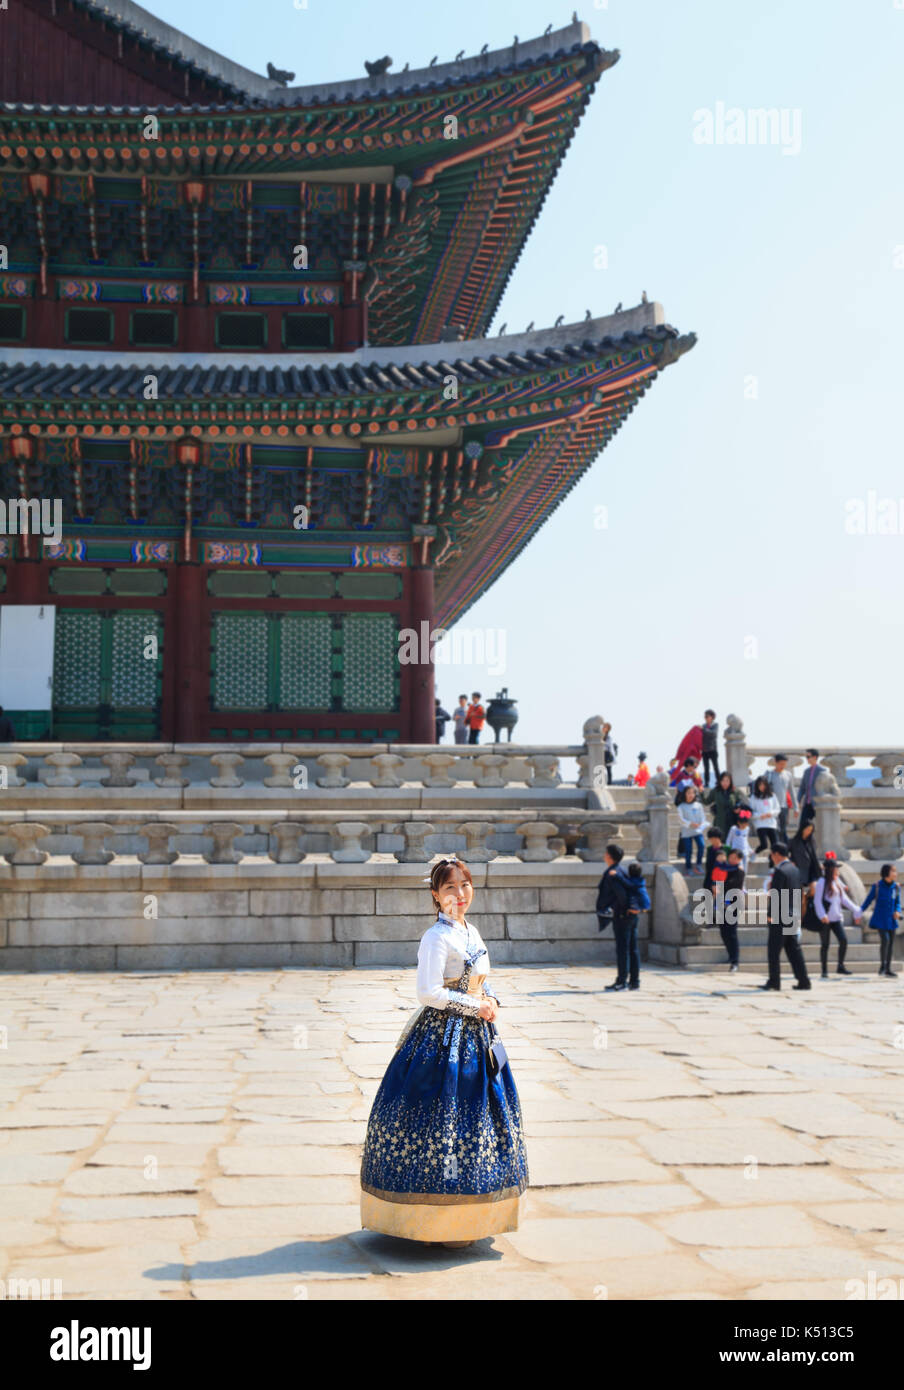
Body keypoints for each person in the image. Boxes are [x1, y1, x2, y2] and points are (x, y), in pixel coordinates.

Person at [359, 856, 528, 1244]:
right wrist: (475, 1006)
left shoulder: (473, 930)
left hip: (479, 1035)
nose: (459, 894)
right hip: (441, 1038)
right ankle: (429, 1220)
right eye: (450, 888)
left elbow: (483, 982)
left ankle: (475, 1217)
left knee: (481, 1118)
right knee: (441, 1118)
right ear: (435, 896)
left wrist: (492, 1001)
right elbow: (427, 992)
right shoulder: (435, 937)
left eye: (464, 885)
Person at [760, 842, 810, 991]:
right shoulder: (794, 870)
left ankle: (774, 981)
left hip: (780, 916)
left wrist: (770, 915)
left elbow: (775, 896)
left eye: (771, 855)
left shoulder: (780, 871)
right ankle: (804, 980)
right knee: (794, 950)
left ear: (776, 854)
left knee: (774, 950)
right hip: (792, 914)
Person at [596, 844, 638, 992]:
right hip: (632, 914)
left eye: (605, 853)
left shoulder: (613, 873)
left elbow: (621, 895)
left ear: (609, 856)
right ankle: (634, 982)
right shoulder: (623, 870)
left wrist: (619, 909)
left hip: (622, 915)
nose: (604, 856)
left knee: (623, 949)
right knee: (632, 948)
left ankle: (621, 982)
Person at [812, 852, 861, 979]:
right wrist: (822, 915)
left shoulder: (836, 883)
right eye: (835, 868)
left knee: (843, 940)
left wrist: (857, 910)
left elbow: (844, 900)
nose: (837, 871)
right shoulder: (822, 882)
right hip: (825, 919)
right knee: (825, 944)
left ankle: (840, 966)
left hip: (836, 918)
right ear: (830, 870)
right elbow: (817, 901)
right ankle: (824, 970)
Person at [860, 864, 902, 977]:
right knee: (885, 940)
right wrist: (859, 912)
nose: (895, 873)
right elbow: (868, 901)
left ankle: (888, 968)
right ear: (887, 873)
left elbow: (898, 902)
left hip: (892, 920)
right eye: (893, 871)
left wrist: (898, 911)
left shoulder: (897, 887)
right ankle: (882, 967)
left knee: (891, 943)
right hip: (880, 919)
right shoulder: (877, 886)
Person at [703, 771, 742, 840]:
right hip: (720, 821)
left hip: (732, 821)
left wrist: (738, 807)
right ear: (720, 781)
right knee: (721, 842)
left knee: (731, 842)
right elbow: (706, 802)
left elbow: (739, 801)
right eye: (723, 780)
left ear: (730, 781)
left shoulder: (735, 791)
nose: (725, 783)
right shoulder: (715, 791)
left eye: (727, 781)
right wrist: (701, 793)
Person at [677, 786, 707, 873]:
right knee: (688, 850)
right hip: (687, 832)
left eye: (693, 793)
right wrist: (690, 824)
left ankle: (698, 864)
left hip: (697, 831)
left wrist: (701, 823)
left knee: (701, 846)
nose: (691, 795)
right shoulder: (681, 806)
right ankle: (688, 867)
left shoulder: (699, 805)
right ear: (685, 794)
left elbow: (703, 816)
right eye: (688, 793)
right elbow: (681, 819)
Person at [750, 775, 781, 858]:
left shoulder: (772, 796)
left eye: (763, 784)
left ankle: (772, 864)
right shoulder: (754, 797)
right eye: (760, 785)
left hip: (771, 824)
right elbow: (751, 812)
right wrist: (760, 816)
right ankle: (754, 853)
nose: (762, 787)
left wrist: (770, 813)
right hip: (760, 824)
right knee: (764, 845)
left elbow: (777, 809)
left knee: (775, 846)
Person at [766, 754, 794, 842]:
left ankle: (783, 849)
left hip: (784, 806)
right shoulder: (769, 774)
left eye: (784, 764)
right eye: (781, 764)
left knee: (783, 829)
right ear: (775, 763)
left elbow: (792, 791)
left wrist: (796, 807)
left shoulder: (788, 775)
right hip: (772, 807)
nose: (783, 766)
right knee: (775, 829)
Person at [726, 807, 753, 873]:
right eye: (742, 824)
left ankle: (743, 883)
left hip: (745, 852)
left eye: (745, 824)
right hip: (736, 851)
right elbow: (728, 840)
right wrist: (728, 850)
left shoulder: (747, 829)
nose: (743, 826)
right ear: (738, 822)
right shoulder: (733, 829)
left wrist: (749, 849)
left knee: (744, 870)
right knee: (738, 868)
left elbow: (745, 840)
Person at [701, 709, 719, 787]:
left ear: (712, 717)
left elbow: (713, 734)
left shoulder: (715, 725)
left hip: (712, 750)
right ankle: (706, 783)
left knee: (716, 767)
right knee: (706, 768)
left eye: (707, 716)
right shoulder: (703, 726)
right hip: (704, 751)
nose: (705, 718)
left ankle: (719, 781)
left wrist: (703, 730)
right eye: (705, 716)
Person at [703, 827, 724, 893]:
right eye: (711, 839)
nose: (712, 841)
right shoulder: (709, 849)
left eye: (714, 839)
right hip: (709, 876)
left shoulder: (725, 848)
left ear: (719, 838)